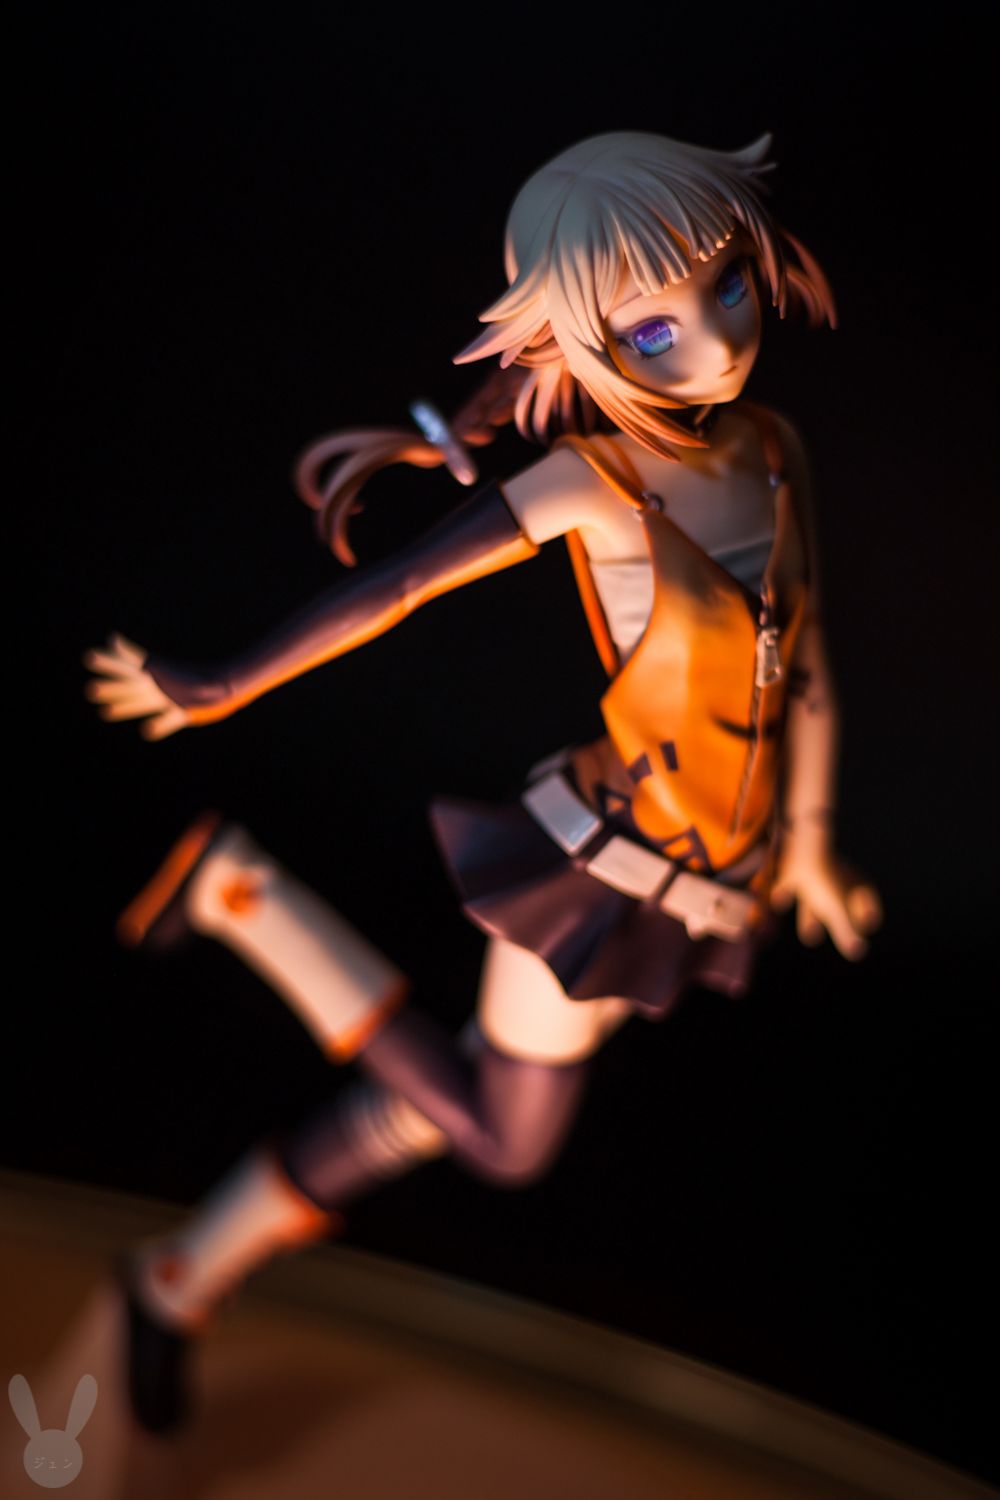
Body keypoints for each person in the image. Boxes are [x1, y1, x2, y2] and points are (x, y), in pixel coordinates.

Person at [84, 129, 883, 1434]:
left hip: (706, 885)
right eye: (650, 329)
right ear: (579, 344)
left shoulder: (774, 451)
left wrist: (808, 845)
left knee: (436, 1104)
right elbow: (402, 586)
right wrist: (226, 683)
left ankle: (177, 1281)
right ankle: (244, 901)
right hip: (599, 877)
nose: (714, 340)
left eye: (727, 285)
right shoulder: (593, 483)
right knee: (504, 1139)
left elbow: (807, 670)